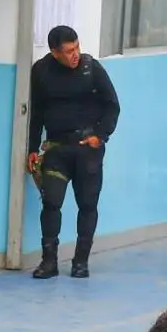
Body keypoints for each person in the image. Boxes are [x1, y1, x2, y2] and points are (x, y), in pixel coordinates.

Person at [28, 24, 121, 280]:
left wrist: (100, 136)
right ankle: (49, 261)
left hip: (86, 151)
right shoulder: (41, 71)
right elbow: (35, 114)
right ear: (54, 52)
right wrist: (32, 148)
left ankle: (81, 262)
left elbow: (112, 106)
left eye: (77, 47)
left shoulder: (92, 69)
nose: (75, 54)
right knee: (51, 204)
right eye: (69, 51)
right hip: (57, 149)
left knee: (87, 205)